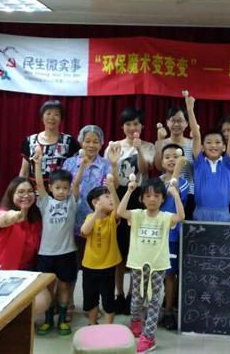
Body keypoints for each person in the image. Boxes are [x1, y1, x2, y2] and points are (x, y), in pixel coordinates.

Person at [117, 177, 185, 353]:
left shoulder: (165, 217)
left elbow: (181, 216)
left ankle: (149, 337)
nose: (152, 199)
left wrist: (176, 195)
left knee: (154, 301)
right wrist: (129, 190)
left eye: (156, 195)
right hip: (138, 264)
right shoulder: (137, 215)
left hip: (157, 266)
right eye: (148, 196)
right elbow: (120, 211)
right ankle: (135, 321)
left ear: (162, 199)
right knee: (137, 299)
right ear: (142, 199)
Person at [105, 106, 156, 314]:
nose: (132, 127)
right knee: (119, 250)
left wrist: (139, 150)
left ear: (142, 126)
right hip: (120, 197)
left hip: (140, 198)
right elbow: (113, 180)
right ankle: (119, 293)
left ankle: (134, 295)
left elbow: (145, 170)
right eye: (128, 124)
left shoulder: (149, 146)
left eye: (136, 124)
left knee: (137, 249)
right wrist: (114, 164)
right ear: (122, 126)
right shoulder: (113, 146)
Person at [62, 124, 112, 321]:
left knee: (94, 268)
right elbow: (64, 190)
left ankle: (92, 305)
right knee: (72, 266)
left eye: (95, 141)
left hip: (98, 224)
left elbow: (109, 193)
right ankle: (68, 303)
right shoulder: (70, 163)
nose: (91, 145)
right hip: (73, 221)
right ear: (81, 141)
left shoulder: (106, 165)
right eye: (87, 141)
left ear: (101, 143)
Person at [0, 177, 50, 315]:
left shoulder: (35, 217)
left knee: (43, 300)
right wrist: (14, 217)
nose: (26, 195)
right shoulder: (0, 214)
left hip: (26, 271)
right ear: (11, 194)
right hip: (0, 273)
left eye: (30, 191)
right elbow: (4, 218)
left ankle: (19, 320)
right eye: (21, 192)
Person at [33, 148, 80, 336]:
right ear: (51, 188)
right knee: (47, 288)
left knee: (64, 286)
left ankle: (61, 319)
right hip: (46, 253)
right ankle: (47, 320)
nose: (62, 191)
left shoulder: (71, 202)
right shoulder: (45, 202)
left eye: (65, 188)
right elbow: (38, 183)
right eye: (58, 188)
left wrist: (83, 166)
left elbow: (77, 184)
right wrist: (37, 163)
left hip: (67, 252)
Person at [186, 92, 230, 222]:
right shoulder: (199, 162)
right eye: (209, 142)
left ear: (224, 147)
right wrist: (190, 109)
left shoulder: (227, 164)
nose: (213, 145)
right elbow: (196, 136)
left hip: (223, 214)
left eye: (217, 142)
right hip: (200, 213)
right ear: (202, 147)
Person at [80, 175, 122, 326]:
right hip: (89, 265)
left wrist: (112, 189)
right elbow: (84, 231)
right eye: (107, 197)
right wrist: (96, 214)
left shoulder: (112, 218)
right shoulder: (90, 217)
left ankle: (108, 327)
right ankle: (92, 324)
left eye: (111, 197)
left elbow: (119, 210)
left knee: (108, 298)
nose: (111, 199)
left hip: (108, 266)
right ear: (95, 202)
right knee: (90, 297)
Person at [157, 144, 189, 330]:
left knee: (170, 275)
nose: (171, 159)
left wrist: (177, 170)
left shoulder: (183, 183)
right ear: (161, 162)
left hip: (172, 237)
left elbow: (172, 192)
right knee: (155, 274)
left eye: (175, 157)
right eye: (167, 156)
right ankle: (155, 308)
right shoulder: (156, 182)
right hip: (155, 235)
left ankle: (168, 310)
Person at [19, 99, 79, 182]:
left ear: (61, 118)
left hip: (60, 189)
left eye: (56, 114)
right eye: (48, 113)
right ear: (42, 117)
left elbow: (75, 170)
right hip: (34, 189)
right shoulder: (30, 141)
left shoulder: (69, 141)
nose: (51, 118)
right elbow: (24, 172)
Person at [154, 106, 194, 218]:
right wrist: (160, 140)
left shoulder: (192, 144)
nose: (176, 124)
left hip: (188, 193)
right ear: (167, 122)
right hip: (166, 193)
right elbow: (158, 167)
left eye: (180, 120)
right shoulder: (160, 142)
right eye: (173, 120)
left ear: (186, 123)